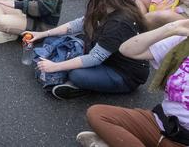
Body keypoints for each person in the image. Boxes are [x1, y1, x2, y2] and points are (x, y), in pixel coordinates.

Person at [27, 0, 150, 100]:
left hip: (124, 74)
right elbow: (79, 24)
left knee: (77, 75)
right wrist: (43, 34)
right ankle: (79, 81)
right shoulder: (110, 4)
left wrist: (55, 66)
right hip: (107, 57)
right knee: (52, 39)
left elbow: (95, 57)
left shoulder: (119, 22)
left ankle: (79, 87)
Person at [77, 19, 189, 147]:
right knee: (97, 114)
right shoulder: (182, 42)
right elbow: (127, 50)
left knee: (78, 75)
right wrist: (172, 27)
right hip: (163, 123)